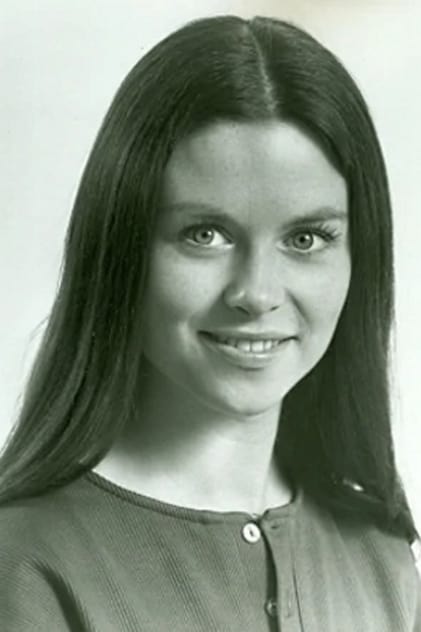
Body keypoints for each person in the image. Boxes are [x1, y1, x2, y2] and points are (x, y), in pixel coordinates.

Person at [0, 14, 420, 631]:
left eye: (306, 238)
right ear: (120, 248)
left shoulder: (382, 557)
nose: (257, 294)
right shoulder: (26, 566)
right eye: (205, 234)